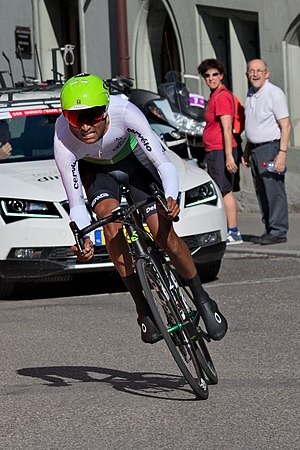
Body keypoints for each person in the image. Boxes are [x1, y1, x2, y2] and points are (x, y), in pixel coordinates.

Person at [54, 73, 228, 344]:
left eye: (92, 116)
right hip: (97, 171)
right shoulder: (63, 135)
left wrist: (170, 198)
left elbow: (163, 164)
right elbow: (75, 200)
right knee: (110, 223)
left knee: (163, 233)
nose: (85, 127)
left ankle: (203, 299)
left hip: (135, 162)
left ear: (106, 109)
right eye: (75, 118)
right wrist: (83, 236)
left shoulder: (125, 112)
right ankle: (143, 308)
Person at [242, 59, 291, 245]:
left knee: (273, 191)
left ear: (266, 73)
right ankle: (270, 229)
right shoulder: (251, 94)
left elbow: (286, 126)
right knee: (262, 192)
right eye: (251, 71)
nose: (255, 74)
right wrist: (247, 150)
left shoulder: (274, 94)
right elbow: (251, 125)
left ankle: (278, 231)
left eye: (259, 70)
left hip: (271, 149)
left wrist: (282, 153)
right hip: (255, 150)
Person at [197, 59, 243, 245]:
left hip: (220, 150)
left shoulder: (222, 96)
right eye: (207, 75)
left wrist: (229, 156)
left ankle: (233, 232)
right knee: (221, 189)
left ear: (221, 75)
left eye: (214, 74)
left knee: (224, 190)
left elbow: (226, 128)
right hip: (215, 149)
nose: (211, 78)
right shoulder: (214, 95)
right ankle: (228, 229)